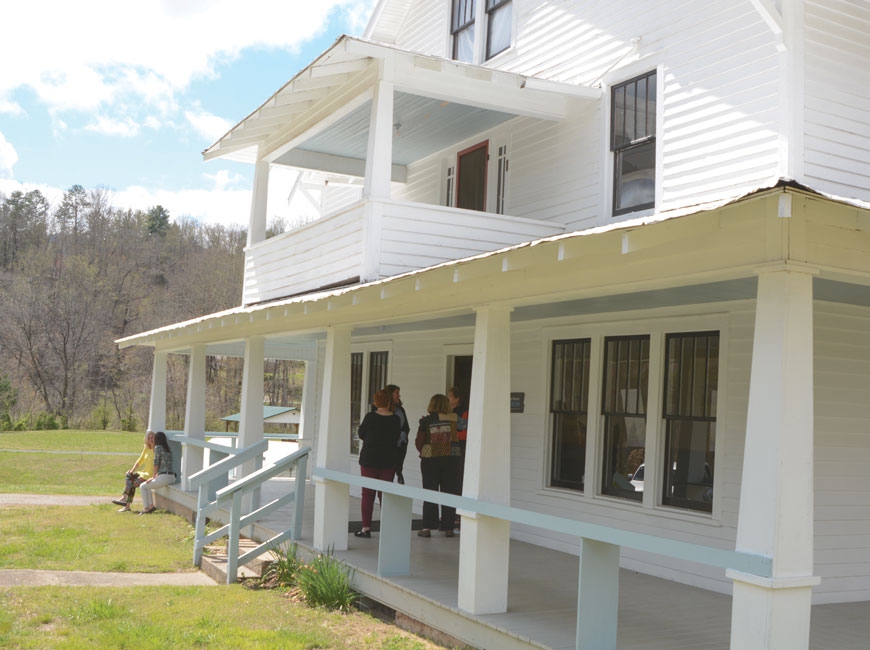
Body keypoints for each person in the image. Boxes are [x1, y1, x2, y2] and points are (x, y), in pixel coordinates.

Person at [355, 388, 401, 538]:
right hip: (388, 460)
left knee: (367, 494)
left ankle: (366, 528)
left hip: (369, 459)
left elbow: (361, 433)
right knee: (385, 495)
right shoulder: (395, 419)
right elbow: (396, 437)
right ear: (388, 402)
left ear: (376, 402)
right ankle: (386, 528)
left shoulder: (370, 417)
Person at [415, 393, 460, 538]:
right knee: (449, 492)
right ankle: (448, 528)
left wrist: (425, 450)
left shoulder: (426, 421)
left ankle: (427, 528)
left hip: (431, 460)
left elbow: (419, 442)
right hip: (451, 460)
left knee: (430, 492)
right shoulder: (456, 420)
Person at [112, 430, 155, 512]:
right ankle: (124, 499)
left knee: (132, 484)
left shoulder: (156, 450)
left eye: (152, 437)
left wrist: (154, 476)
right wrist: (131, 470)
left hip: (149, 476)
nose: (151, 439)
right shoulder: (146, 448)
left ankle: (126, 504)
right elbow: (140, 460)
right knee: (129, 476)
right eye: (149, 438)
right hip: (143, 473)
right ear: (146, 440)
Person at [138, 431, 176, 515]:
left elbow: (156, 463)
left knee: (142, 486)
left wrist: (153, 476)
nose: (153, 439)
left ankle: (146, 508)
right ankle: (151, 506)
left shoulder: (157, 447)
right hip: (172, 477)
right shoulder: (167, 449)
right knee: (148, 484)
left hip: (165, 477)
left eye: (154, 438)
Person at [385, 384, 411, 484]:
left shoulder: (400, 409)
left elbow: (406, 426)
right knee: (388, 473)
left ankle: (399, 473)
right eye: (397, 393)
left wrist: (404, 435)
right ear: (390, 394)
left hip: (401, 445)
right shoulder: (384, 410)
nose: (399, 396)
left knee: (398, 467)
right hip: (390, 447)